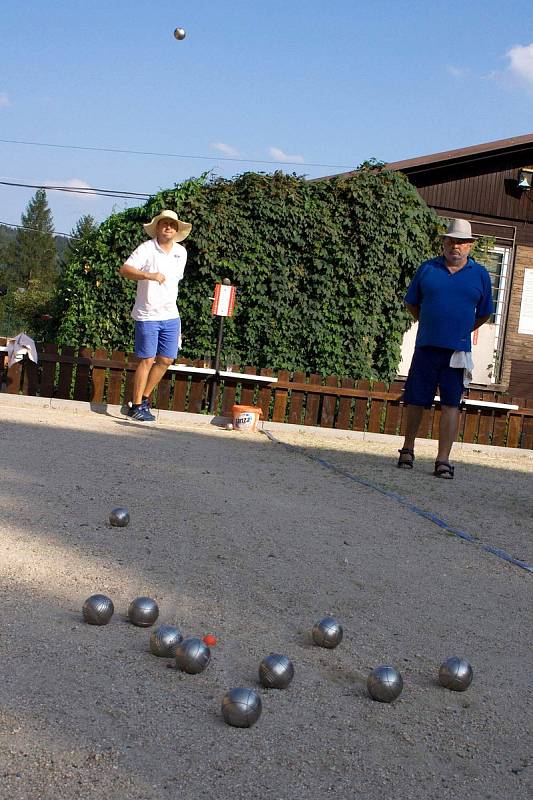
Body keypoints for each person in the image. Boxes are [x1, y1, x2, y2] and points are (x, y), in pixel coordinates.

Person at [397, 218, 494, 478]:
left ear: (470, 246)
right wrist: (428, 323)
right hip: (427, 345)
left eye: (462, 242)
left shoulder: (481, 275)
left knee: (452, 403)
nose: (456, 246)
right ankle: (407, 449)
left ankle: (443, 460)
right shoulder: (427, 269)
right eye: (451, 240)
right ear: (444, 242)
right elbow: (412, 303)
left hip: (458, 351)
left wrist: (461, 330)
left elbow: (485, 313)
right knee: (416, 400)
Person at [119, 209, 192, 421]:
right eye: (164, 224)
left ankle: (142, 399)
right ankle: (137, 406)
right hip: (147, 314)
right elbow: (124, 270)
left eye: (172, 224)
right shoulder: (146, 249)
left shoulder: (181, 253)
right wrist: (148, 275)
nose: (168, 227)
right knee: (147, 359)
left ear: (177, 230)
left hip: (171, 314)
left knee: (167, 359)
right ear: (157, 228)